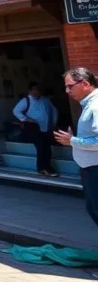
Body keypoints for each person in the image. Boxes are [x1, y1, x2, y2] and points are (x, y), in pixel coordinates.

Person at [56, 68, 98, 225]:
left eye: (70, 86)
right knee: (93, 208)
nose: (67, 91)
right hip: (90, 170)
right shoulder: (88, 105)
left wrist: (72, 141)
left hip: (96, 170)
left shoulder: (95, 106)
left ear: (85, 83)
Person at [12, 82, 59, 177]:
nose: (37, 91)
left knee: (47, 148)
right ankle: (42, 168)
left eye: (38, 89)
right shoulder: (26, 100)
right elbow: (16, 111)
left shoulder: (45, 100)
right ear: (30, 91)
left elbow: (54, 111)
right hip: (33, 127)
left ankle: (48, 167)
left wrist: (53, 123)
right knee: (41, 147)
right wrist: (26, 119)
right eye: (35, 89)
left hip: (46, 127)